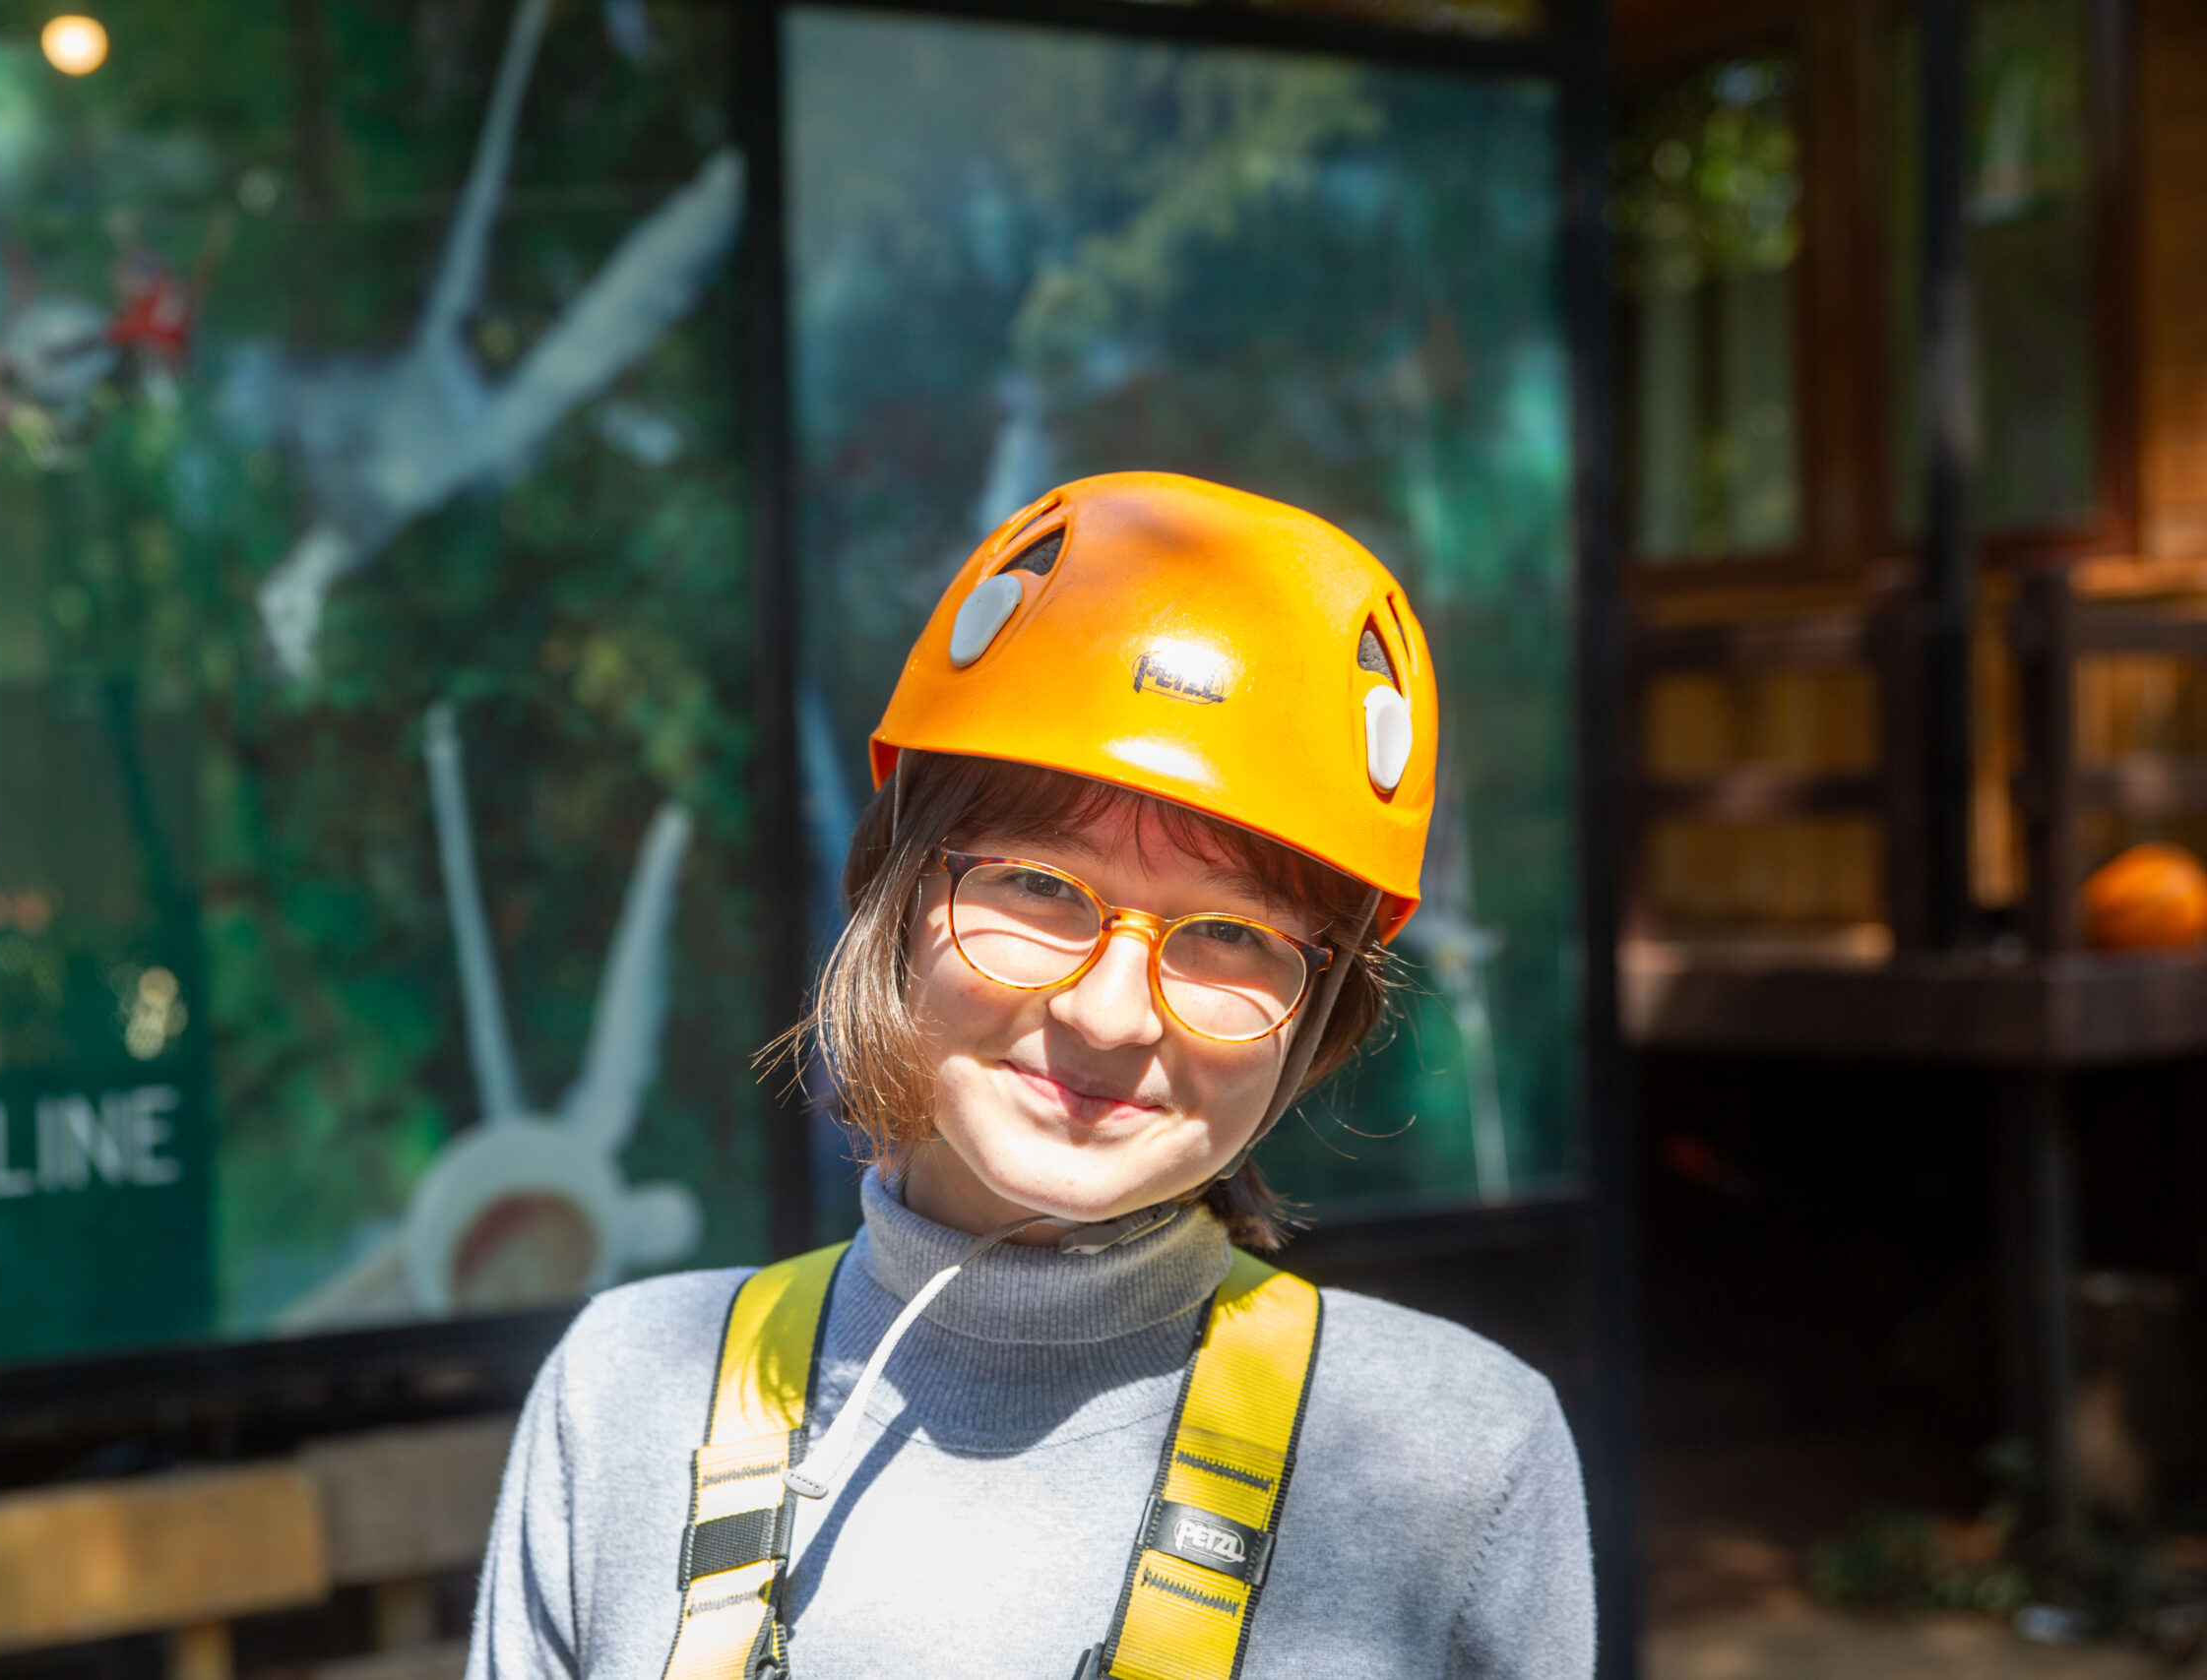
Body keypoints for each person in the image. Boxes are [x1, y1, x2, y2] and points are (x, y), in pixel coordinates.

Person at [467, 472, 1595, 1680]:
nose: (1108, 1015)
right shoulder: (626, 1400)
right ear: (896, 898)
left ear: (1318, 1010)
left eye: (1229, 935)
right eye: (1040, 887)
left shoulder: (1457, 1460)